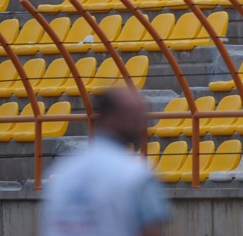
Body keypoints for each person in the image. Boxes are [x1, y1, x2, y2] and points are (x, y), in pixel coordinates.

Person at [42, 87, 170, 236]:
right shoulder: (136, 175)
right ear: (108, 117)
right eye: (133, 114)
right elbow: (151, 230)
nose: (141, 122)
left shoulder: (62, 173)